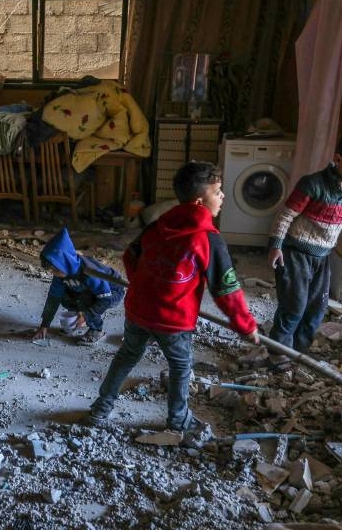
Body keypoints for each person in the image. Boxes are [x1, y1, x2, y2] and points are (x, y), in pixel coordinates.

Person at [88, 161, 259, 431]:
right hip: (174, 322)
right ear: (201, 202)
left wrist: (145, 287)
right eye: (218, 191)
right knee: (180, 366)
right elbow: (227, 289)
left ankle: (100, 408)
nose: (223, 196)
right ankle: (178, 420)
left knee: (127, 355)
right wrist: (245, 325)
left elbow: (130, 255)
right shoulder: (208, 239)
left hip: (139, 311)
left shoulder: (157, 226)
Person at [266, 129, 342, 366]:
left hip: (322, 257)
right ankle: (277, 353)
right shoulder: (312, 184)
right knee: (294, 306)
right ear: (338, 159)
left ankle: (299, 353)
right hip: (295, 253)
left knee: (316, 308)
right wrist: (275, 246)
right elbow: (285, 216)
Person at [32, 228, 125, 345]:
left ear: (65, 262)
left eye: (55, 269)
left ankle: (96, 330)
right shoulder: (61, 274)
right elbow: (53, 298)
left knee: (86, 300)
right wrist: (44, 325)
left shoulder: (90, 272)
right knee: (64, 295)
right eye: (51, 270)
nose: (53, 273)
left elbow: (105, 299)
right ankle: (75, 322)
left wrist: (86, 316)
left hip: (112, 292)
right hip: (89, 291)